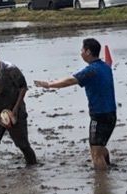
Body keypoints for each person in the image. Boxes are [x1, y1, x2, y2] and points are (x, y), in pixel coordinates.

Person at [34, 37, 116, 170]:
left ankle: (102, 183)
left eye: (82, 50)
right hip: (111, 113)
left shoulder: (91, 70)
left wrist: (49, 84)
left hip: (99, 116)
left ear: (88, 52)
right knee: (100, 147)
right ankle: (109, 167)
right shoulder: (106, 67)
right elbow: (108, 62)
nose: (81, 52)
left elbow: (70, 81)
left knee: (95, 153)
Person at [0, 40, 37, 167]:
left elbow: (23, 88)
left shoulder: (10, 69)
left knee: (23, 144)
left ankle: (33, 168)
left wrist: (15, 109)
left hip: (16, 110)